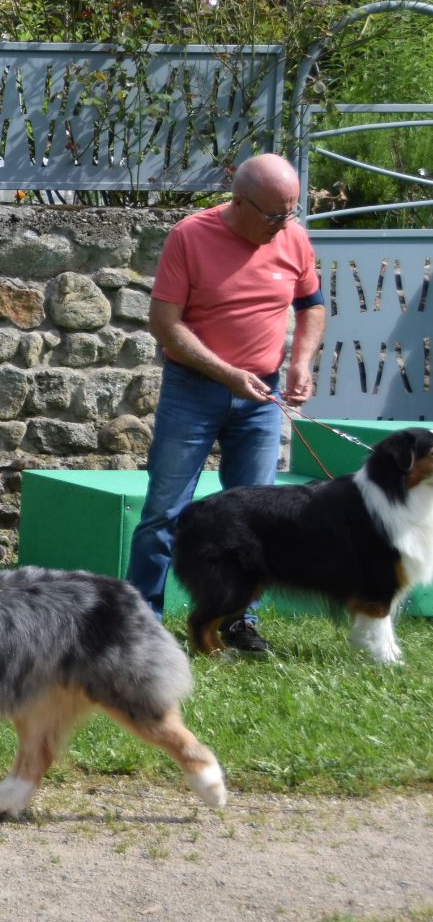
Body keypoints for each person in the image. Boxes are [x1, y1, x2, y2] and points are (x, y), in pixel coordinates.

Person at [125, 153, 326, 654]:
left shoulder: (293, 238)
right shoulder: (190, 236)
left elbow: (312, 306)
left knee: (257, 518)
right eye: (274, 215)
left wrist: (301, 361)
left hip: (262, 395)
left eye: (291, 212)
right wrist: (226, 373)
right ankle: (140, 620)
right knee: (164, 511)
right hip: (193, 390)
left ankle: (237, 622)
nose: (283, 225)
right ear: (238, 201)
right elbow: (165, 324)